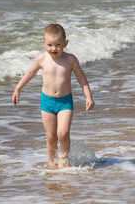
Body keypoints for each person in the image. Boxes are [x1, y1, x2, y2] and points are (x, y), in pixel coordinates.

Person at [12, 24, 95, 169]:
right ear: (43, 43)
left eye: (58, 44)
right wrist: (18, 89)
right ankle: (52, 162)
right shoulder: (41, 59)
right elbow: (29, 73)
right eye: (49, 45)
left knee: (63, 133)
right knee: (51, 136)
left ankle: (63, 160)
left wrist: (88, 96)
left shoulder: (70, 59)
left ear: (65, 43)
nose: (53, 48)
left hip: (65, 102)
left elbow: (81, 77)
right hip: (47, 102)